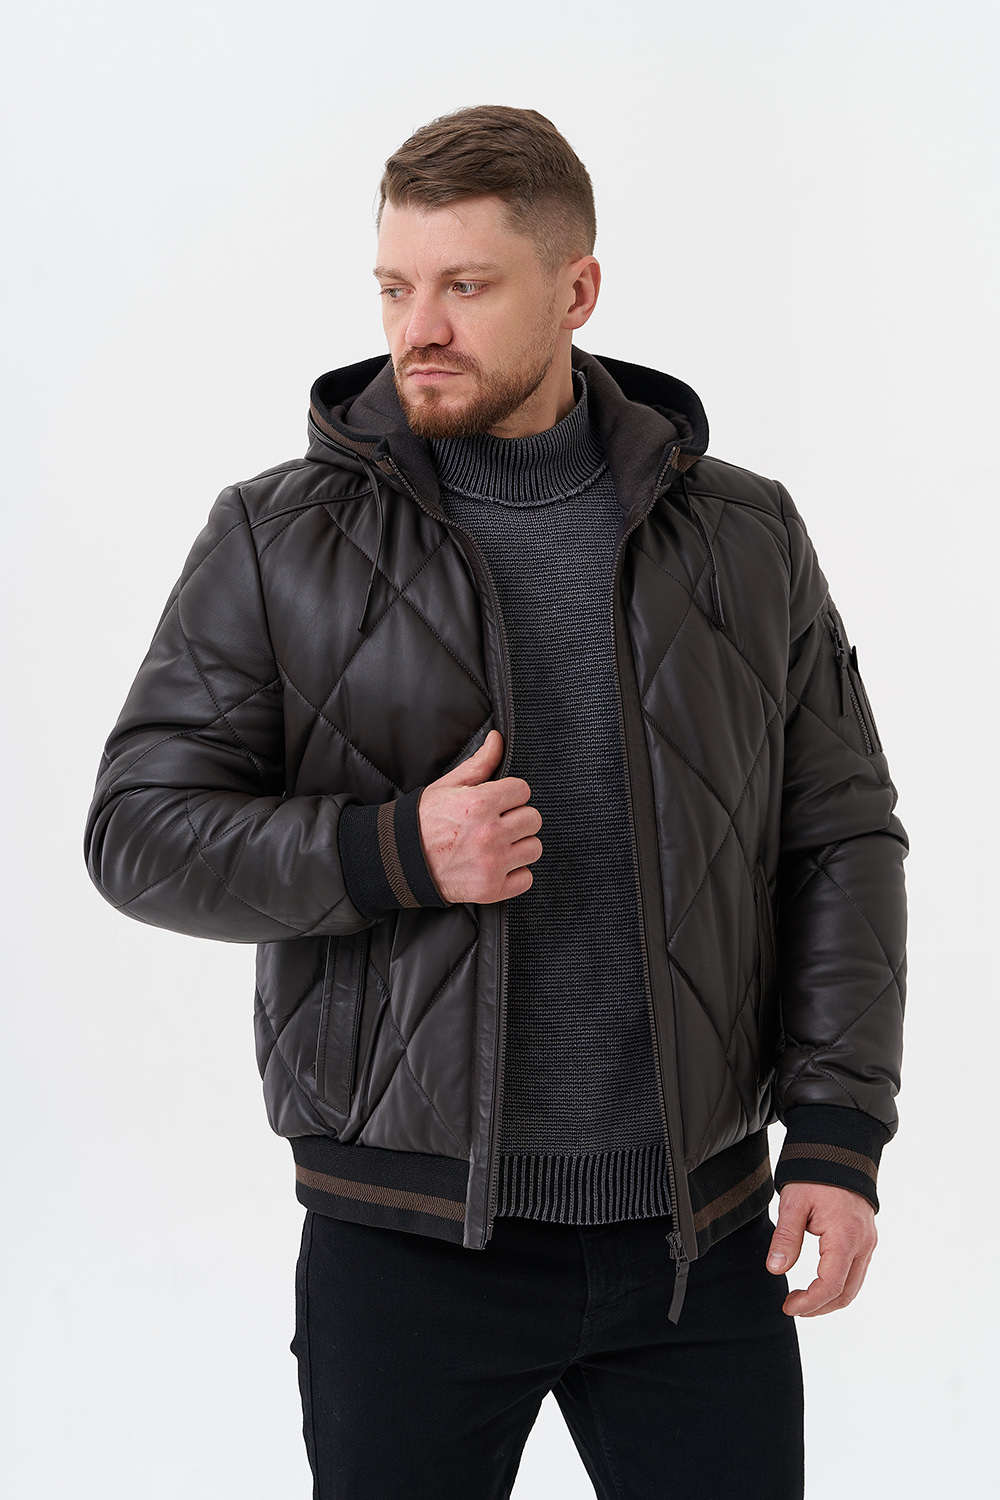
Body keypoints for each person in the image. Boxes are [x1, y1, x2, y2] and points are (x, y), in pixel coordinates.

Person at [84, 105, 907, 1499]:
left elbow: (839, 837)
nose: (420, 329)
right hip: (406, 1244)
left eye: (466, 285)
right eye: (395, 287)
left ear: (576, 291)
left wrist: (837, 1135)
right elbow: (136, 830)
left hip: (698, 1242)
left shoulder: (745, 533)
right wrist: (387, 851)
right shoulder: (277, 537)